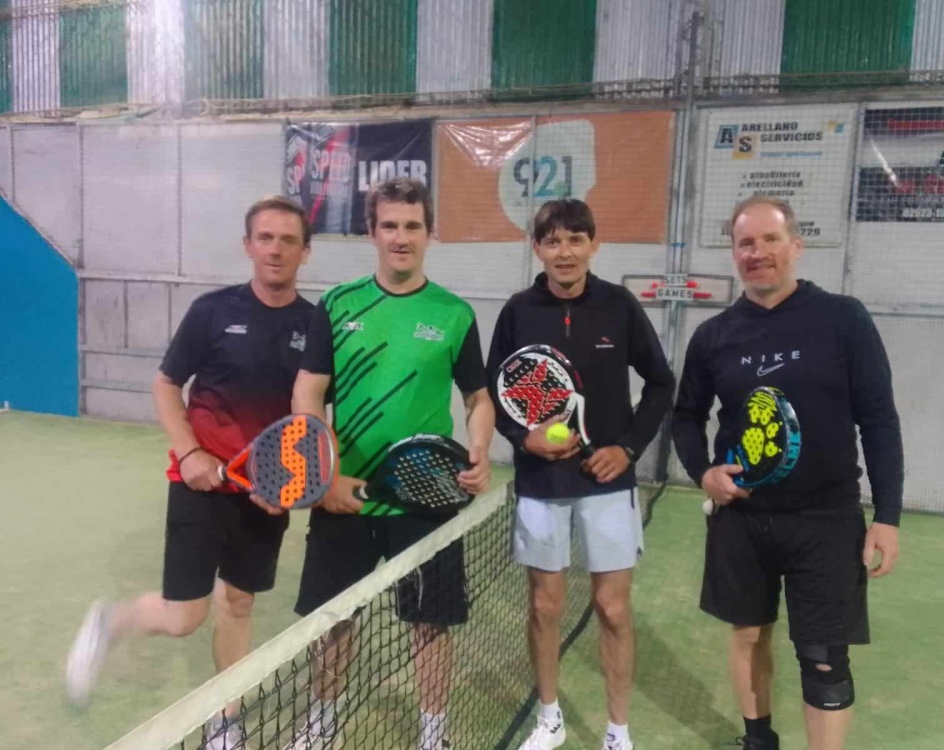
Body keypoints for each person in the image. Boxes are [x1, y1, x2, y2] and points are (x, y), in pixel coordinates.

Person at [65, 195, 316, 750]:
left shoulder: (313, 323)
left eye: (288, 240)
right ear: (247, 245)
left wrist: (293, 482)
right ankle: (110, 621)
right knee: (185, 618)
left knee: (240, 603)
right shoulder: (212, 311)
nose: (275, 250)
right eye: (265, 238)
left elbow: (310, 413)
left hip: (265, 490)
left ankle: (225, 723)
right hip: (199, 482)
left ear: (306, 251)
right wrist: (191, 454)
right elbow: (164, 386)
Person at [671, 196, 904, 750]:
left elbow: (878, 418)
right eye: (745, 243)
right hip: (742, 520)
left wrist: (888, 516)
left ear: (795, 246)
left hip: (826, 519)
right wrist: (704, 473)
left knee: (824, 657)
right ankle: (758, 741)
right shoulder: (713, 336)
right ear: (734, 254)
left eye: (770, 240)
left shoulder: (843, 319)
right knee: (749, 633)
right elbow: (684, 416)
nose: (758, 253)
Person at [286, 177, 494, 750]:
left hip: (425, 495)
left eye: (412, 226)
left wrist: (479, 450)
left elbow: (478, 399)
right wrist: (324, 474)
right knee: (334, 621)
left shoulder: (453, 314)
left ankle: (433, 735)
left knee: (430, 624)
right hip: (345, 496)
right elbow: (308, 393)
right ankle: (319, 726)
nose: (401, 238)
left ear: (431, 233)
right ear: (372, 232)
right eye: (390, 226)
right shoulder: (337, 304)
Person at [486, 198, 675, 750]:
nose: (564, 251)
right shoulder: (518, 311)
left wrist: (628, 448)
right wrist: (524, 438)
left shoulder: (618, 306)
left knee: (612, 609)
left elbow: (660, 383)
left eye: (575, 239)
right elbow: (495, 397)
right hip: (542, 485)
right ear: (537, 248)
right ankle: (550, 719)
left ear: (594, 244)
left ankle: (618, 731)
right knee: (545, 606)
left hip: (608, 484)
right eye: (552, 240)